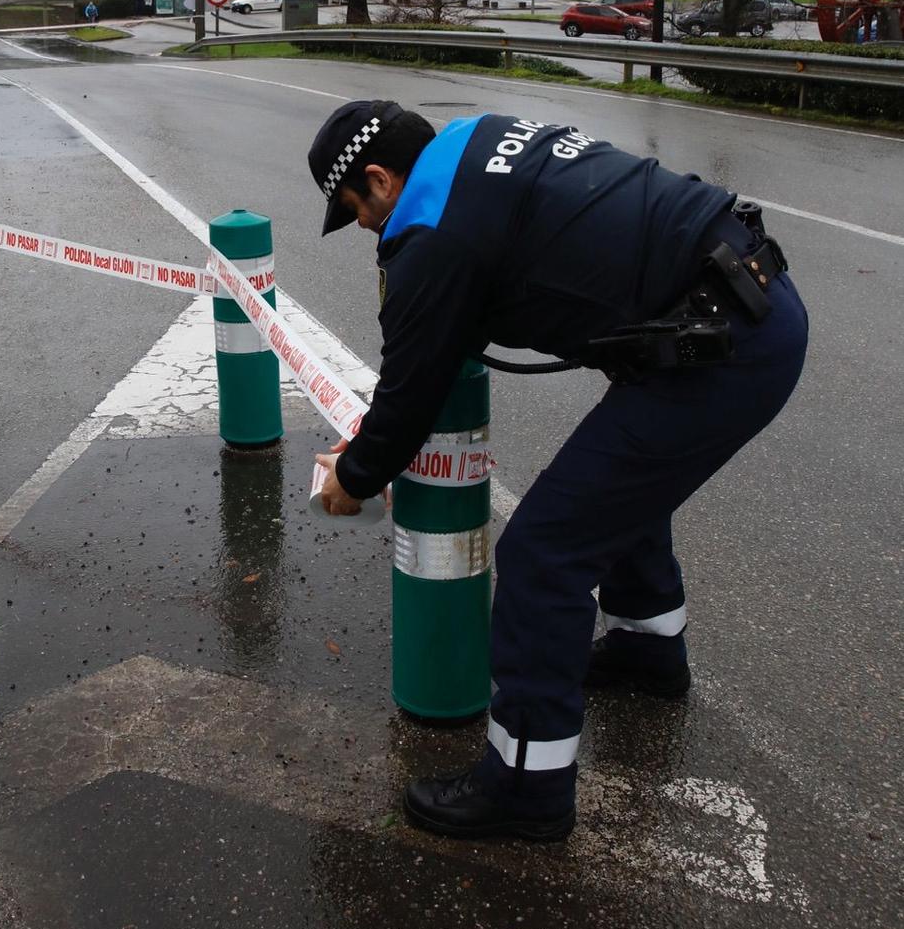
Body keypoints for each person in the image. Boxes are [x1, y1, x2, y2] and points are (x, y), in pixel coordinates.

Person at [307, 99, 808, 845]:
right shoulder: (477, 138)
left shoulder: (432, 238)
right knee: (615, 488)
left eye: (353, 211)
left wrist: (351, 475)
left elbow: (407, 397)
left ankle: (526, 786)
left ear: (379, 179)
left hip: (721, 348)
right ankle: (647, 646)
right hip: (743, 302)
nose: (363, 229)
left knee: (543, 555)